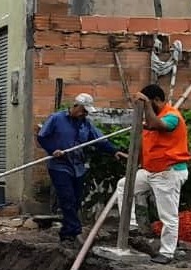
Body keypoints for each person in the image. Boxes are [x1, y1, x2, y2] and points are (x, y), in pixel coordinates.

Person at [113, 84, 190, 264]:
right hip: (152, 171)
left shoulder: (172, 117)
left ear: (156, 100)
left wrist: (146, 104)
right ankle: (131, 226)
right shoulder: (150, 120)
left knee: (168, 216)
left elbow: (156, 125)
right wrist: (132, 158)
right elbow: (147, 145)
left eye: (147, 103)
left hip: (169, 172)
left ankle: (167, 252)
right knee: (124, 185)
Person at [36, 93, 126, 243]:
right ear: (76, 106)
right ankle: (75, 230)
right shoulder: (56, 118)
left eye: (87, 112)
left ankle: (67, 233)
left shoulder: (86, 124)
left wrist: (114, 151)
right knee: (67, 198)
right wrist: (53, 150)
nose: (85, 114)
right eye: (83, 110)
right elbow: (42, 137)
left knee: (76, 201)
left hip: (78, 166)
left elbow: (99, 140)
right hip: (60, 166)